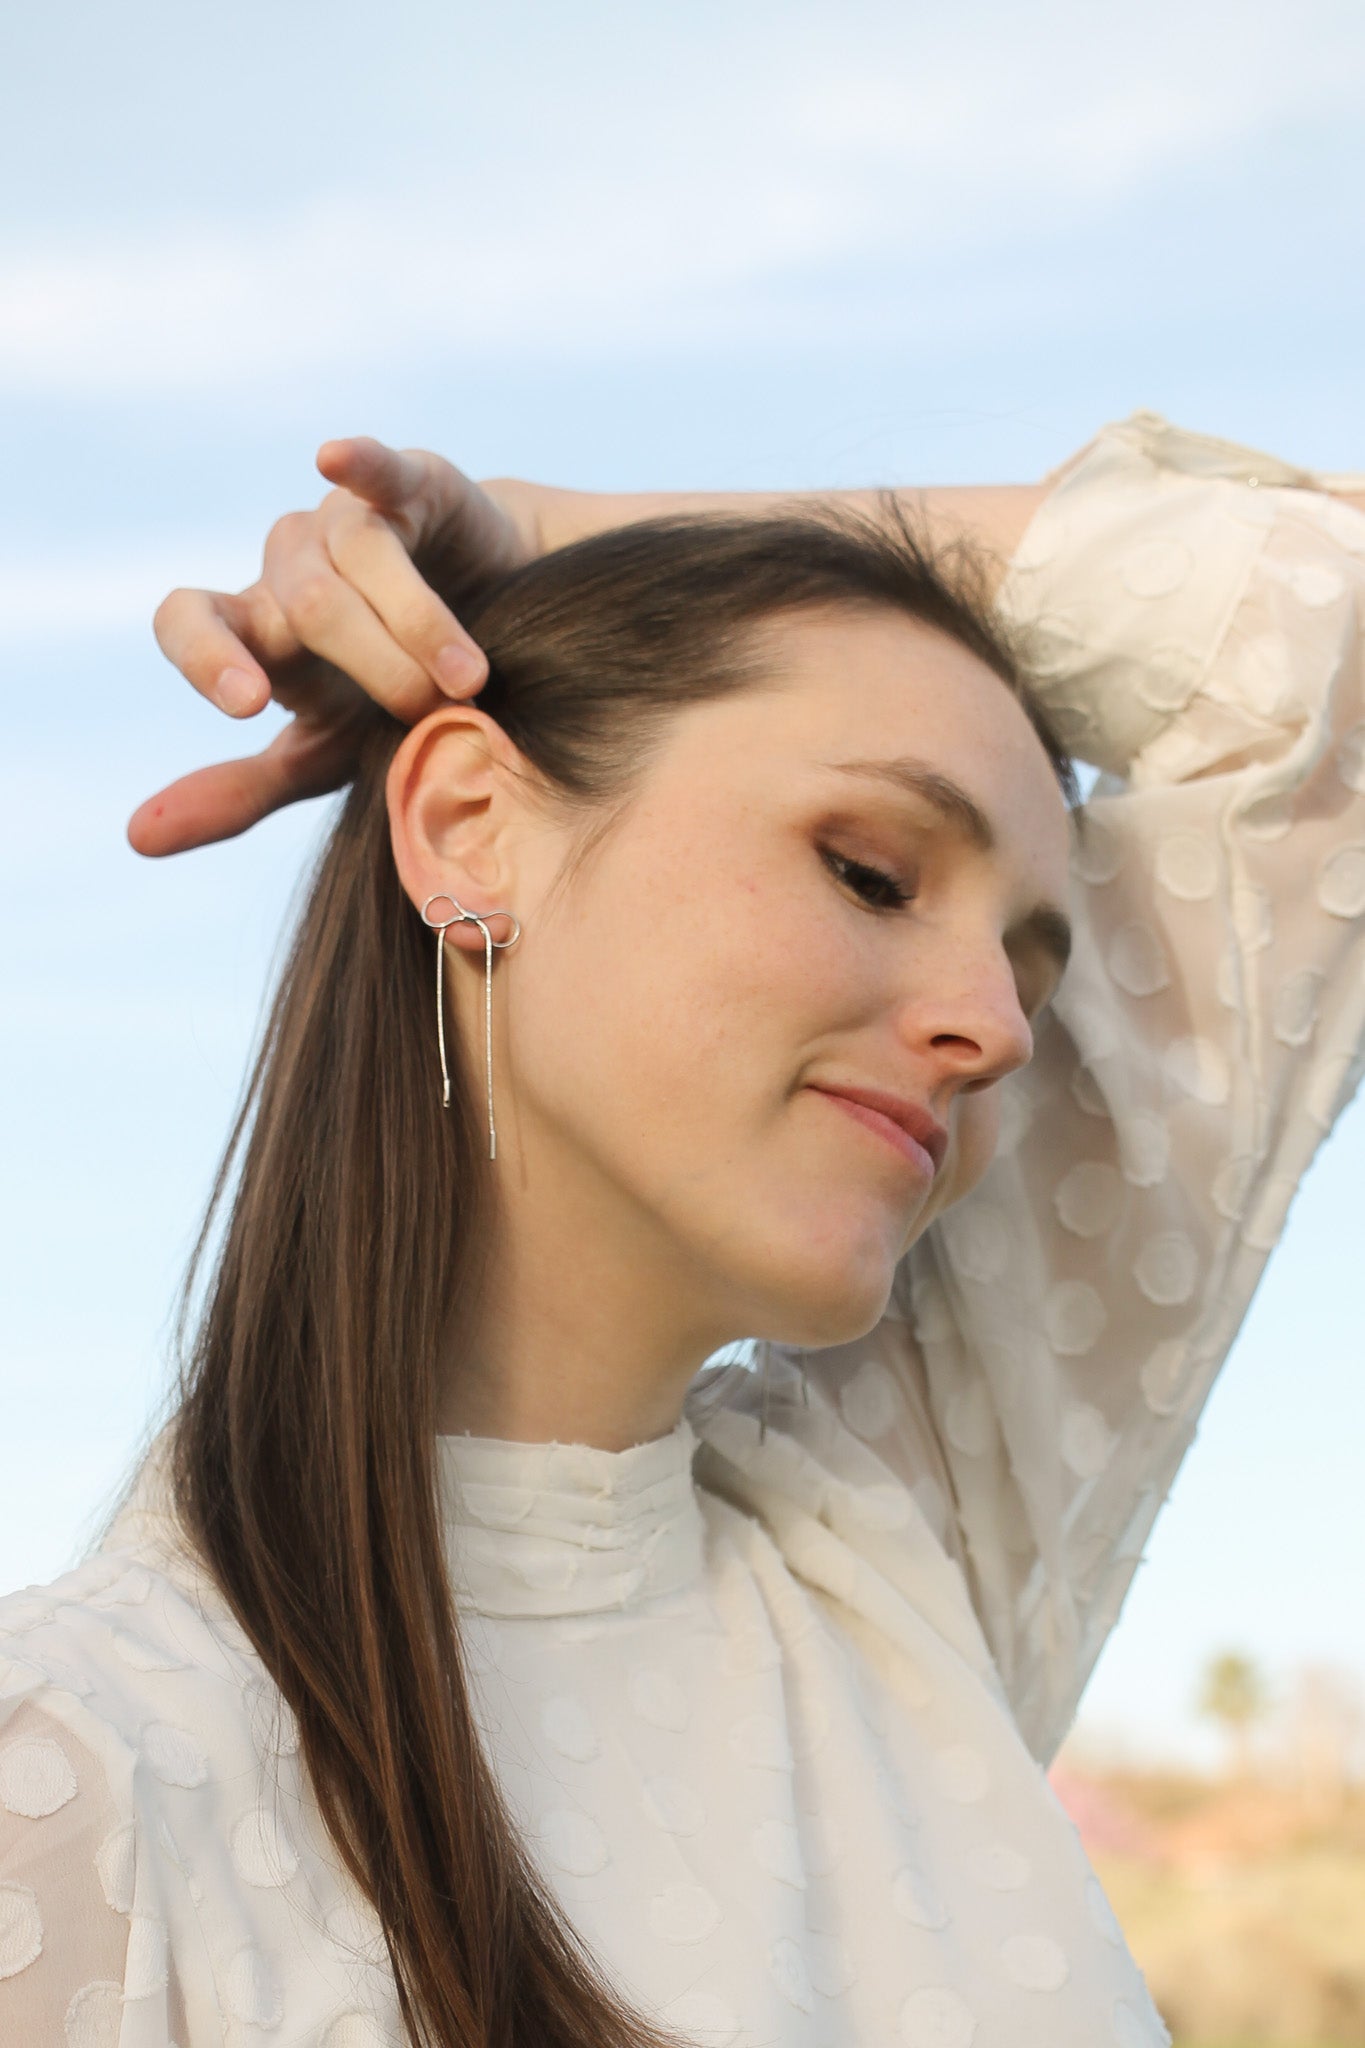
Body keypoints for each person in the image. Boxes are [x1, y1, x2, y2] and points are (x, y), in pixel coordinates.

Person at [2, 412, 1362, 2048]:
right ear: (467, 829)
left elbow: (1328, 648)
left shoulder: (892, 1551)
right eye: (869, 870)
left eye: (1033, 967)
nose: (997, 1028)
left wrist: (548, 532)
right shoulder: (78, 1771)